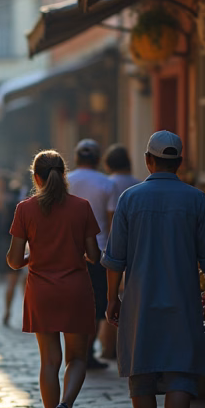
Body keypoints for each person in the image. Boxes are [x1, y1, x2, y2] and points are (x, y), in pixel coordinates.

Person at [102, 131, 205, 408]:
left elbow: (115, 259)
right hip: (182, 300)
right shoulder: (196, 199)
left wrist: (113, 298)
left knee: (141, 375)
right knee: (180, 376)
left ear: (148, 161)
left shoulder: (130, 199)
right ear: (179, 163)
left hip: (139, 301)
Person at [7, 150, 101, 408]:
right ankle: (67, 406)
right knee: (77, 358)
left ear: (35, 177)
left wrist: (31, 257)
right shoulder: (82, 207)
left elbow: (12, 260)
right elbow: (95, 255)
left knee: (49, 361)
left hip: (42, 291)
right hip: (75, 290)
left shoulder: (25, 209)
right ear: (63, 175)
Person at [67, 139, 119, 369]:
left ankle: (74, 352)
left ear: (76, 158)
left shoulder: (66, 182)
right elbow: (112, 221)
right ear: (98, 159)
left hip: (68, 253)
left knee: (72, 304)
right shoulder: (107, 184)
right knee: (96, 305)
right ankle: (86, 353)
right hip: (98, 252)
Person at [100, 144, 140, 359]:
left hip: (109, 248)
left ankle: (108, 348)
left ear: (107, 164)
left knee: (111, 299)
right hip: (135, 249)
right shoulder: (137, 184)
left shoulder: (106, 184)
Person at [2, 177, 25, 326]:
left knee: (11, 283)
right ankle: (27, 311)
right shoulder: (25, 206)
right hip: (27, 246)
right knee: (26, 284)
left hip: (10, 244)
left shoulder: (8, 205)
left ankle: (7, 311)